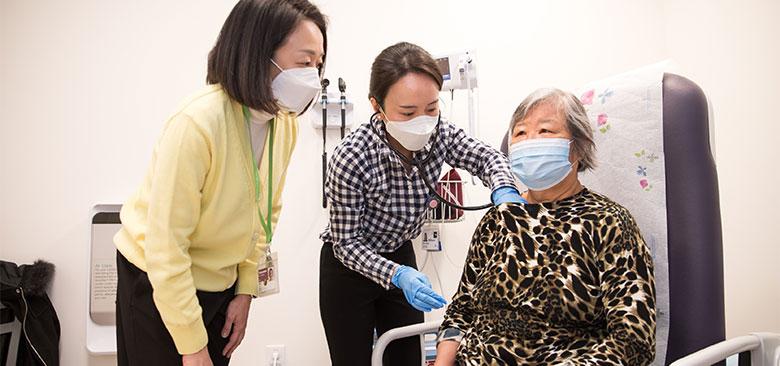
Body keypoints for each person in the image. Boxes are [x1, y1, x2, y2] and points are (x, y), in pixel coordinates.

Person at [113, 1, 327, 365]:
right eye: (304, 62)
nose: (314, 75)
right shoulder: (197, 122)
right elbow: (166, 248)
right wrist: (192, 345)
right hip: (157, 282)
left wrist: (245, 290)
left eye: (319, 64)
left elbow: (266, 214)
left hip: (220, 281)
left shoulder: (283, 123)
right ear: (258, 52)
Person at [319, 42, 525, 366]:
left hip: (399, 249)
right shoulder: (351, 156)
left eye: (431, 108)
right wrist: (398, 275)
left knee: (406, 357)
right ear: (377, 106)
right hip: (348, 266)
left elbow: (487, 157)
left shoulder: (439, 133)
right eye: (407, 112)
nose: (423, 121)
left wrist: (504, 189)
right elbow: (346, 244)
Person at [434, 88, 657, 366]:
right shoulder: (498, 220)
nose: (530, 141)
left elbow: (633, 342)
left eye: (545, 131)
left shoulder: (609, 223)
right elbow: (461, 310)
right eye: (520, 133)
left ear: (578, 145)